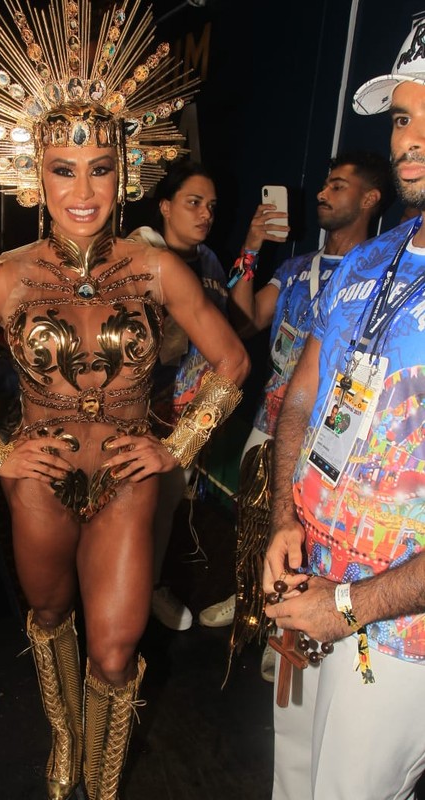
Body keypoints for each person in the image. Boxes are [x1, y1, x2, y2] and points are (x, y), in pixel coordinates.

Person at [0, 1, 249, 798]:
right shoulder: (9, 277)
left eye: (99, 166)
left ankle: (99, 785)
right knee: (52, 622)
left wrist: (176, 446)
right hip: (39, 486)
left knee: (118, 651)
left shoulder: (159, 269)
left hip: (128, 479)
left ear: (124, 167)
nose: (83, 188)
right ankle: (64, 740)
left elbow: (231, 361)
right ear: (38, 171)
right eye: (65, 167)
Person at [263, 20, 425, 799]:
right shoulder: (368, 260)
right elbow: (299, 399)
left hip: (395, 633)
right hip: (311, 588)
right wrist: (283, 523)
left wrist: (351, 605)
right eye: (401, 117)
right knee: (294, 780)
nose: (409, 141)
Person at [198, 152, 394, 671]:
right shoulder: (296, 269)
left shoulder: (382, 273)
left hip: (332, 441)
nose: (322, 194)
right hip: (272, 422)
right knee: (255, 521)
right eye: (324, 185)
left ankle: (284, 636)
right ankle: (250, 603)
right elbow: (242, 324)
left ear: (371, 198)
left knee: (305, 535)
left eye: (338, 185)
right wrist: (252, 247)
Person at [128, 160, 229, 631]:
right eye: (194, 203)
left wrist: (249, 252)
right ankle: (110, 604)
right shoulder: (135, 255)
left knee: (164, 509)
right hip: (126, 415)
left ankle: (146, 594)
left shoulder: (208, 263)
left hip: (182, 418)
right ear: (165, 206)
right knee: (118, 514)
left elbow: (229, 339)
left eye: (211, 205)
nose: (205, 214)